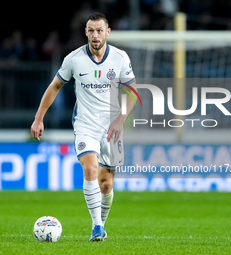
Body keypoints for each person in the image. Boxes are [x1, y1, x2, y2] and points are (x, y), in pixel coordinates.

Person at [31, 12, 136, 242]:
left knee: (106, 185)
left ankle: (102, 224)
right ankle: (96, 227)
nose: (95, 35)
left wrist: (121, 118)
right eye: (91, 30)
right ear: (85, 32)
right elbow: (55, 86)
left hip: (113, 128)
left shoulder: (120, 58)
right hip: (85, 124)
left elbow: (132, 91)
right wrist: (39, 118)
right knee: (90, 169)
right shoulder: (74, 59)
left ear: (107, 32)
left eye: (99, 30)